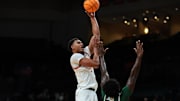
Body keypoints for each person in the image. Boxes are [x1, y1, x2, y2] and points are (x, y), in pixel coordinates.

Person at [68, 12, 101, 101]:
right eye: (78, 43)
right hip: (84, 93)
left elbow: (96, 37)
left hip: (93, 92)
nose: (81, 43)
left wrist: (93, 18)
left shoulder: (85, 53)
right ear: (72, 47)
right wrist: (96, 51)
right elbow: (96, 64)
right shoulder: (74, 57)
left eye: (82, 42)